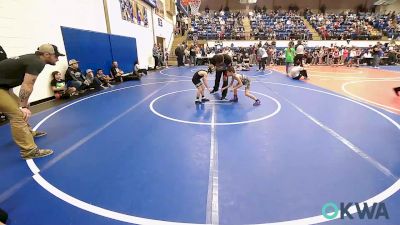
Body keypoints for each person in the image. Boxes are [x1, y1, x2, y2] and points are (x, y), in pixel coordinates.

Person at [0, 44, 62, 159]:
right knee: (18, 115)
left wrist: (22, 103)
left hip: (3, 87)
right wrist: (22, 106)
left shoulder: (32, 59)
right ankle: (29, 151)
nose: (58, 59)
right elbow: (27, 85)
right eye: (56, 56)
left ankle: (28, 133)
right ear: (46, 54)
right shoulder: (37, 62)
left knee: (20, 107)